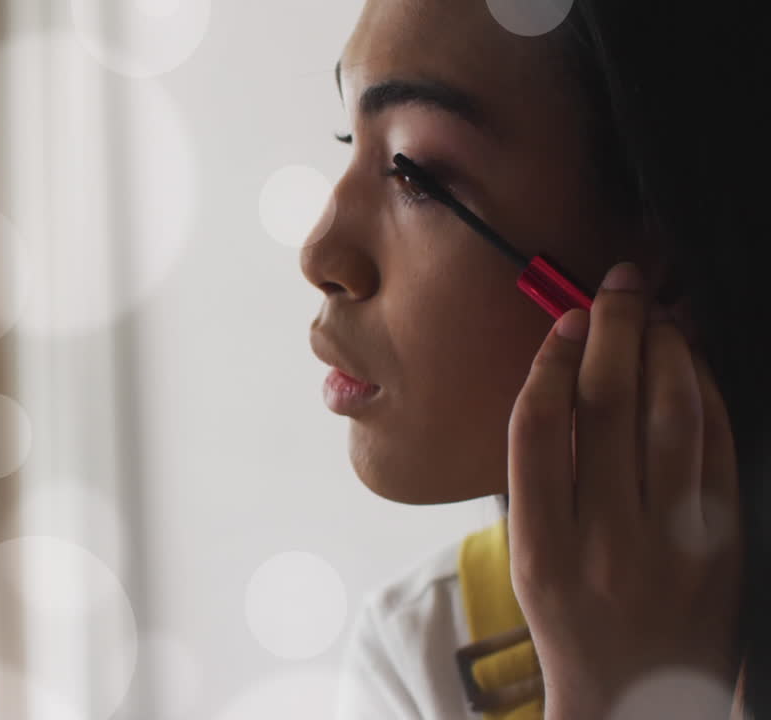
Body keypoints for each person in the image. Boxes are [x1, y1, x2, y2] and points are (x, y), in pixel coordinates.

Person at [300, 0, 769, 717]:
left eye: (416, 174)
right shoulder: (424, 659)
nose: (320, 255)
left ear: (671, 254)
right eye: (348, 138)